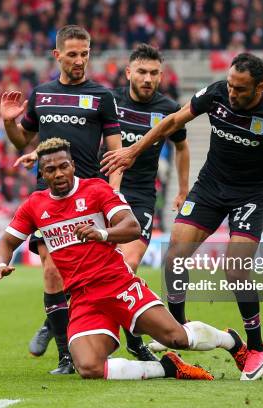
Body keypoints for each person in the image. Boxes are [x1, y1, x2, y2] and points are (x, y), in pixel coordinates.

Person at [101, 53, 263, 381]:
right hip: (209, 188)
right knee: (175, 256)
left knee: (235, 268)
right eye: (231, 86)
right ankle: (177, 329)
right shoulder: (217, 93)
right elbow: (173, 122)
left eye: (241, 89)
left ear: (260, 87)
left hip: (248, 196)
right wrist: (132, 152)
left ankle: (257, 346)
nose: (232, 94)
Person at [0, 138, 244, 380]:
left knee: (178, 338)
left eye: (63, 166)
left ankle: (230, 340)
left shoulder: (96, 189)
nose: (58, 174)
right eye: (50, 169)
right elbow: (6, 242)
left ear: (73, 166)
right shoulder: (35, 205)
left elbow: (132, 226)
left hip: (118, 285)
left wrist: (103, 233)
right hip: (83, 297)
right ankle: (167, 368)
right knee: (89, 368)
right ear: (42, 174)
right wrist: (0, 264)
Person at [0, 25, 122, 374]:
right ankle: (66, 356)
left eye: (85, 53)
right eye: (72, 54)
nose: (80, 60)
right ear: (57, 56)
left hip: (90, 198)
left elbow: (116, 154)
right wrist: (9, 123)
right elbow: (21, 141)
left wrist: (114, 197)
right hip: (49, 199)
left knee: (91, 276)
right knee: (52, 272)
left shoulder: (102, 97)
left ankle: (89, 332)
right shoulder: (41, 94)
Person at [106, 44, 190, 361]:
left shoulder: (168, 108)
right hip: (102, 191)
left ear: (161, 75)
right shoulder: (109, 100)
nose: (148, 78)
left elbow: (181, 148)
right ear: (129, 72)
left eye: (154, 73)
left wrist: (182, 189)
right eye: (142, 72)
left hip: (141, 195)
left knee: (127, 265)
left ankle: (133, 338)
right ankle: (60, 327)